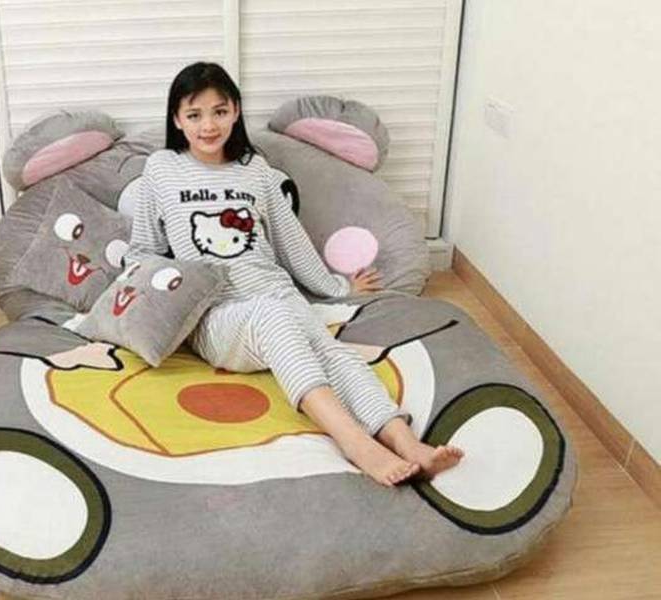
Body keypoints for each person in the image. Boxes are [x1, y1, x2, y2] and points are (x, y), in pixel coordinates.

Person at [127, 61, 463, 487]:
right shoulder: (161, 168)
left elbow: (291, 242)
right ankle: (355, 443)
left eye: (219, 111)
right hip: (216, 312)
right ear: (177, 119)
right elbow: (143, 251)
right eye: (194, 115)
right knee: (275, 318)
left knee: (331, 351)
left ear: (235, 111)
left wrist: (337, 287)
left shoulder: (255, 170)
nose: (208, 126)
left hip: (276, 294)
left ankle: (407, 442)